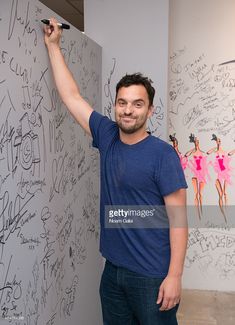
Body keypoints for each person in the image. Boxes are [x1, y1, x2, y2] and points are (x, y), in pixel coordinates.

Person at [43, 18, 188, 325]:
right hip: (112, 272)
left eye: (137, 104)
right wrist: (54, 46)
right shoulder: (107, 136)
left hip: (151, 276)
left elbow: (178, 220)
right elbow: (72, 97)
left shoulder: (163, 155)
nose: (128, 110)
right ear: (115, 106)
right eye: (122, 102)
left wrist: (174, 275)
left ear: (149, 111)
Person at [207, 134, 232, 221]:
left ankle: (227, 213)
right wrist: (216, 147)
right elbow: (208, 152)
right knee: (220, 195)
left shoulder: (224, 151)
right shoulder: (215, 151)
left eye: (219, 141)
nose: (219, 142)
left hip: (224, 173)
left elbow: (229, 155)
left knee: (225, 194)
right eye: (217, 141)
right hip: (218, 175)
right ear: (216, 142)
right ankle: (223, 215)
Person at [185, 134, 209, 219]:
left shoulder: (202, 152)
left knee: (200, 194)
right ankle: (197, 213)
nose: (197, 142)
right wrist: (194, 148)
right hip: (195, 174)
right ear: (194, 142)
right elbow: (186, 155)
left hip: (201, 175)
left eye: (197, 141)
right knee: (196, 194)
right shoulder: (193, 152)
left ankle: (201, 212)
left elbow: (207, 155)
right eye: (195, 141)